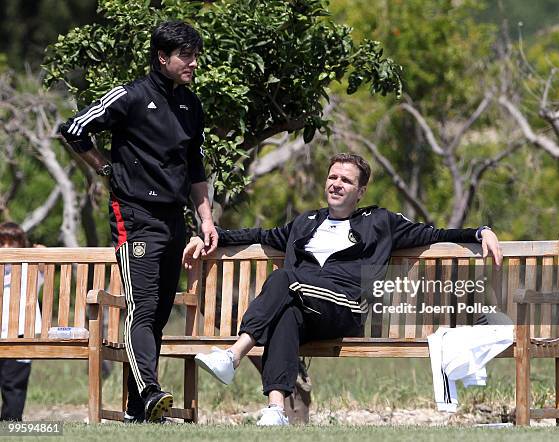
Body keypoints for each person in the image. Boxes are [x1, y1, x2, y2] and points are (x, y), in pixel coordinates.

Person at [182, 153, 502, 426]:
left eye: (346, 180)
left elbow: (435, 234)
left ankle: (234, 354)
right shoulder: (306, 221)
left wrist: (480, 232)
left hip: (344, 306)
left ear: (360, 190)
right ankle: (276, 409)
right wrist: (209, 236)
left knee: (283, 280)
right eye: (332, 177)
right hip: (305, 304)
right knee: (287, 313)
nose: (336, 183)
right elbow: (260, 235)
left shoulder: (379, 222)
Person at [59, 21, 218, 423]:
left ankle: (137, 407)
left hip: (174, 218)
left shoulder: (190, 105)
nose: (193, 63)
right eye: (186, 56)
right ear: (162, 57)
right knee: (142, 306)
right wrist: (105, 169)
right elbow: (74, 128)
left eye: (195, 55)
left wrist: (206, 218)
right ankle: (149, 390)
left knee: (160, 312)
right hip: (134, 215)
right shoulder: (130, 95)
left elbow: (194, 167)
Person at [0, 222, 43, 421]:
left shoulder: (30, 269)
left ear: (22, 245)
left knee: (14, 384)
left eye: (12, 243)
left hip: (20, 334)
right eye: (2, 243)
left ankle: (11, 421)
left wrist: (37, 254)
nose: (7, 249)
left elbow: (44, 259)